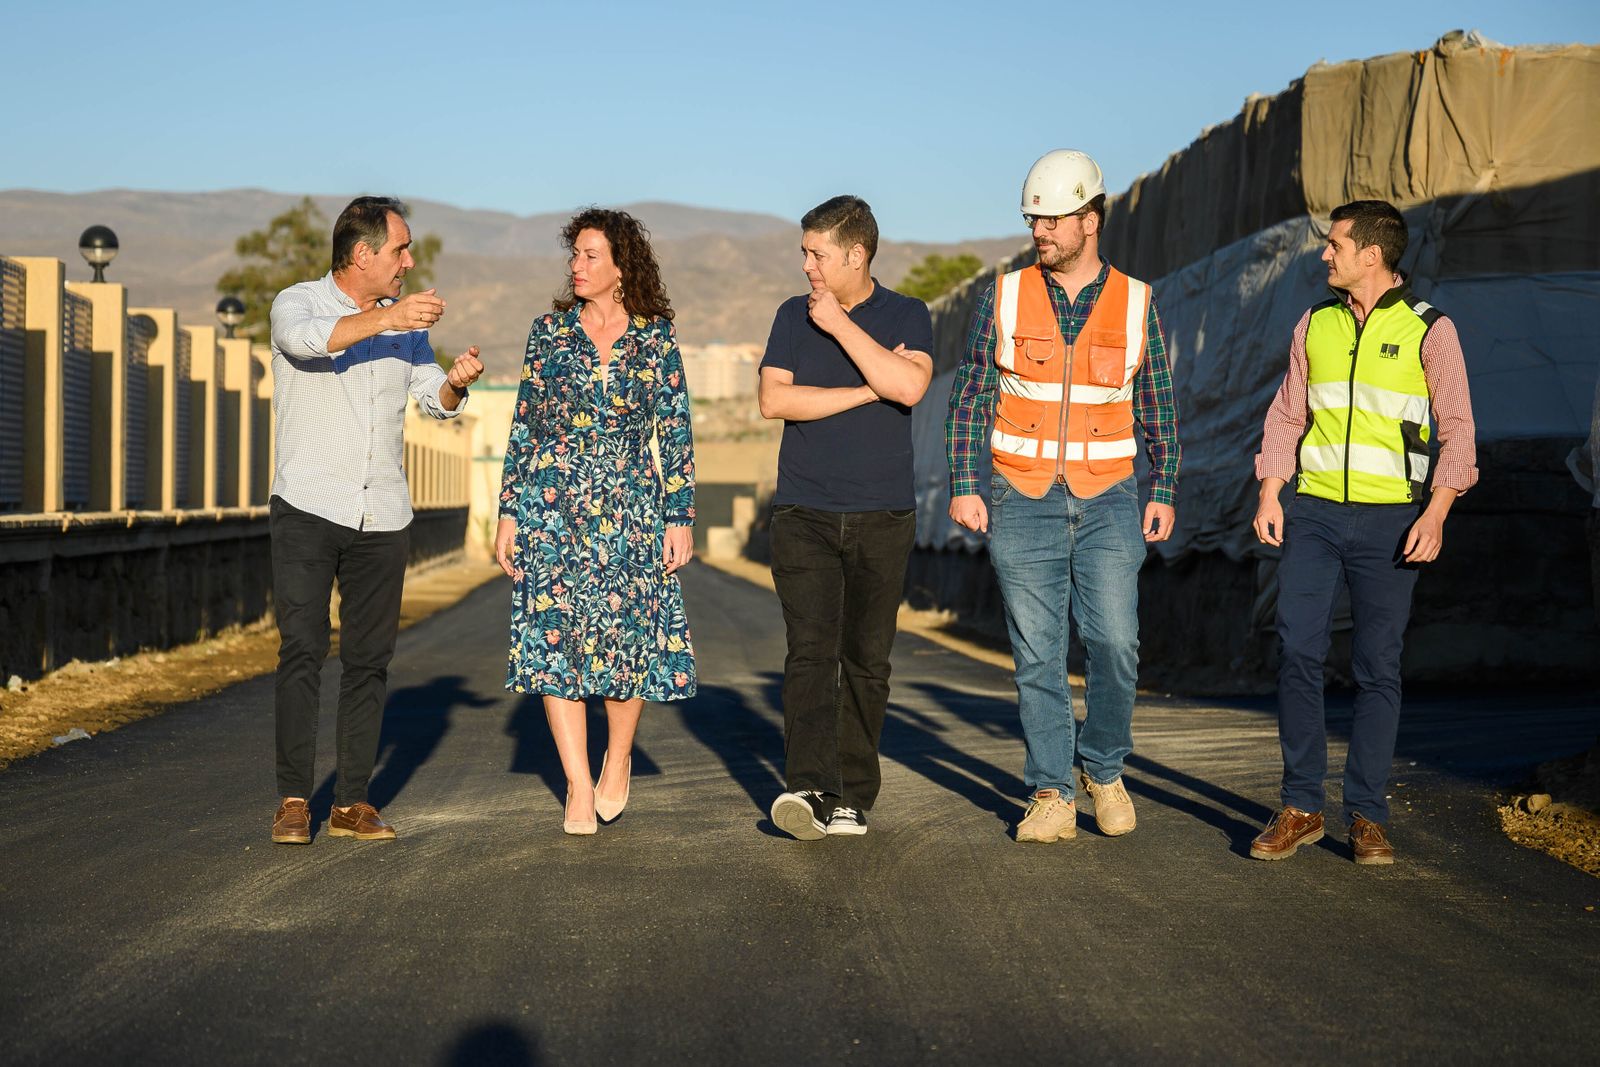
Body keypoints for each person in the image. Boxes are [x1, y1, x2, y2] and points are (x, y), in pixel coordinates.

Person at [945, 150, 1180, 844]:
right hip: (1019, 496)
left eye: (1051, 220)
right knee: (1037, 654)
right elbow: (969, 397)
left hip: (1109, 497)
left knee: (1116, 642)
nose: (1039, 231)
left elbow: (1158, 402)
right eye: (1033, 220)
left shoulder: (1137, 300)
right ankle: (1050, 789)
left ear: (1090, 218)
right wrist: (964, 483)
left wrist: (1162, 485)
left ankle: (1102, 767)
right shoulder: (1004, 295)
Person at [1249, 199, 1477, 865]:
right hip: (1315, 510)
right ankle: (1301, 805)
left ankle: (1367, 815)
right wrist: (1271, 488)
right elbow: (1289, 410)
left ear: (1371, 255)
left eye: (1335, 245)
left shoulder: (1430, 329)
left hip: (1393, 518)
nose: (1325, 254)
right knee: (1297, 648)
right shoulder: (1314, 323)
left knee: (1378, 665)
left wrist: (1436, 513)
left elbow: (1458, 428)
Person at [268, 196, 484, 845]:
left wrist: (458, 382)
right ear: (363, 254)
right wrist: (386, 317)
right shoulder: (297, 302)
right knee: (303, 648)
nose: (409, 261)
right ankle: (293, 798)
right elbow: (308, 342)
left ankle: (352, 803)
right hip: (307, 506)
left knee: (369, 660)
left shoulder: (406, 329)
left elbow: (433, 400)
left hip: (383, 512)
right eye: (400, 249)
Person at [494, 208, 696, 836]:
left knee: (628, 642)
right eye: (574, 255)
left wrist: (679, 515)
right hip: (552, 511)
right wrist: (509, 511)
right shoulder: (548, 333)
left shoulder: (656, 339)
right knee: (555, 642)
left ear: (619, 267)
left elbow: (676, 430)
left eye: (589, 256)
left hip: (632, 510)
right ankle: (578, 786)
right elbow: (526, 424)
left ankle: (618, 756)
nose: (576, 266)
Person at [760, 195, 933, 840]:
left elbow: (912, 387)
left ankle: (851, 796)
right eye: (804, 252)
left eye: (817, 253)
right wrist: (869, 388)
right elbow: (774, 400)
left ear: (856, 254)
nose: (807, 265)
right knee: (810, 653)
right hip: (803, 511)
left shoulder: (907, 313)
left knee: (866, 658)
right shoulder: (788, 316)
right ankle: (807, 788)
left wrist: (839, 327)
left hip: (883, 515)